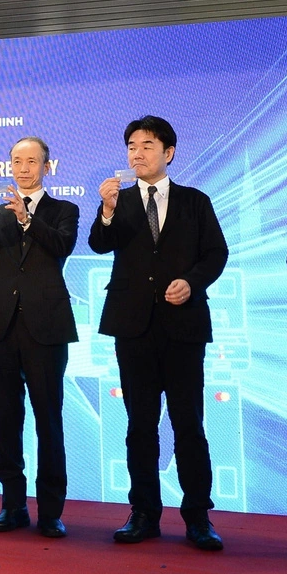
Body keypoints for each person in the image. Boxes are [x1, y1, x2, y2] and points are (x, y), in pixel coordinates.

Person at [88, 116, 228, 551]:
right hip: (132, 328)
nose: (137, 153)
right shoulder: (119, 201)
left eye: (147, 145)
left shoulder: (194, 201)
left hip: (183, 327)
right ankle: (143, 512)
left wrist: (192, 281)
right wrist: (107, 212)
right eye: (132, 145)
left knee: (189, 423)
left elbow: (216, 253)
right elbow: (98, 243)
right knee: (139, 424)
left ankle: (197, 516)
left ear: (168, 152)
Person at [0, 137, 78, 538]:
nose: (23, 168)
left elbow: (62, 244)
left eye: (32, 161)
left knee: (48, 419)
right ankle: (12, 505)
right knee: (6, 417)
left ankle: (50, 511)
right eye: (17, 161)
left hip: (46, 327)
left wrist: (28, 219)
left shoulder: (63, 210)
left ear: (47, 166)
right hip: (2, 326)